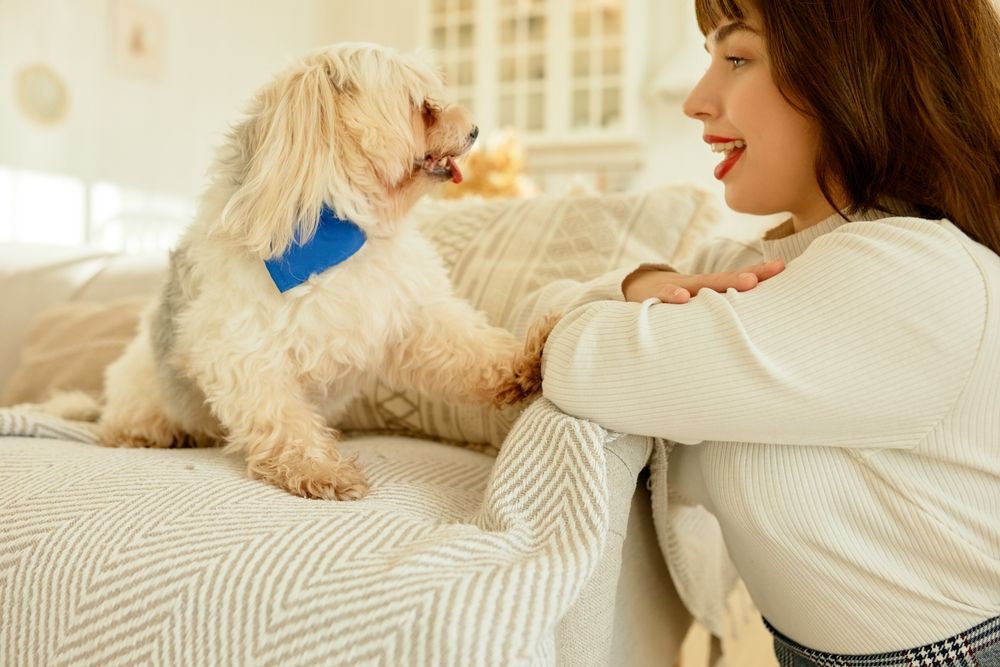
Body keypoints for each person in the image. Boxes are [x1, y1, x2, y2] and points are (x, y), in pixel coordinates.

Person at [540, 0, 1000, 663]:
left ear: (857, 66)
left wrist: (619, 303)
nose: (696, 102)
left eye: (737, 58)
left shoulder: (912, 275)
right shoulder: (746, 266)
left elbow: (574, 362)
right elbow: (536, 321)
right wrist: (641, 283)